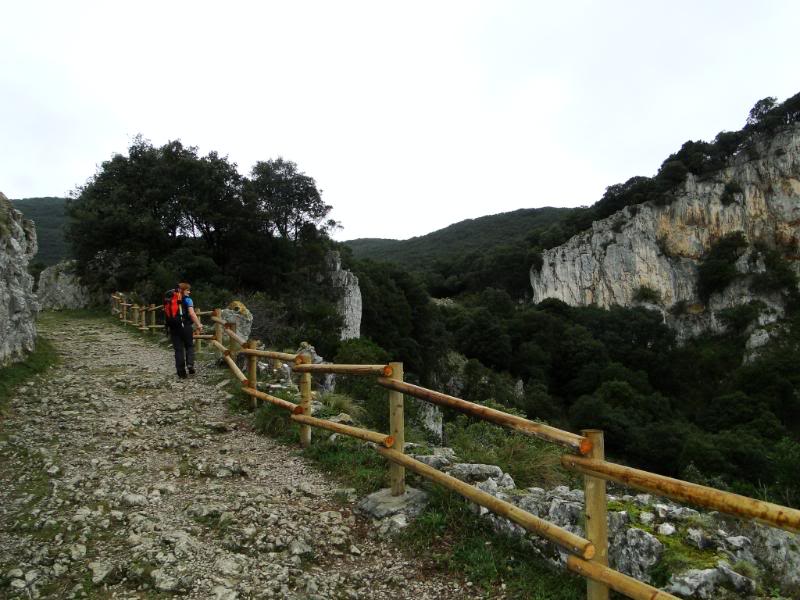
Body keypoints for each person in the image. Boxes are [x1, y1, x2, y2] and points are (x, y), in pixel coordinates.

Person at [168, 282, 204, 378]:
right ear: (183, 290)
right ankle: (190, 364)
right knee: (189, 346)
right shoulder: (188, 300)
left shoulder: (171, 300)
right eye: (188, 290)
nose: (189, 292)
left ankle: (181, 373)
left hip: (173, 328)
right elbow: (192, 314)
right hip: (186, 326)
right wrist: (198, 324)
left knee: (178, 350)